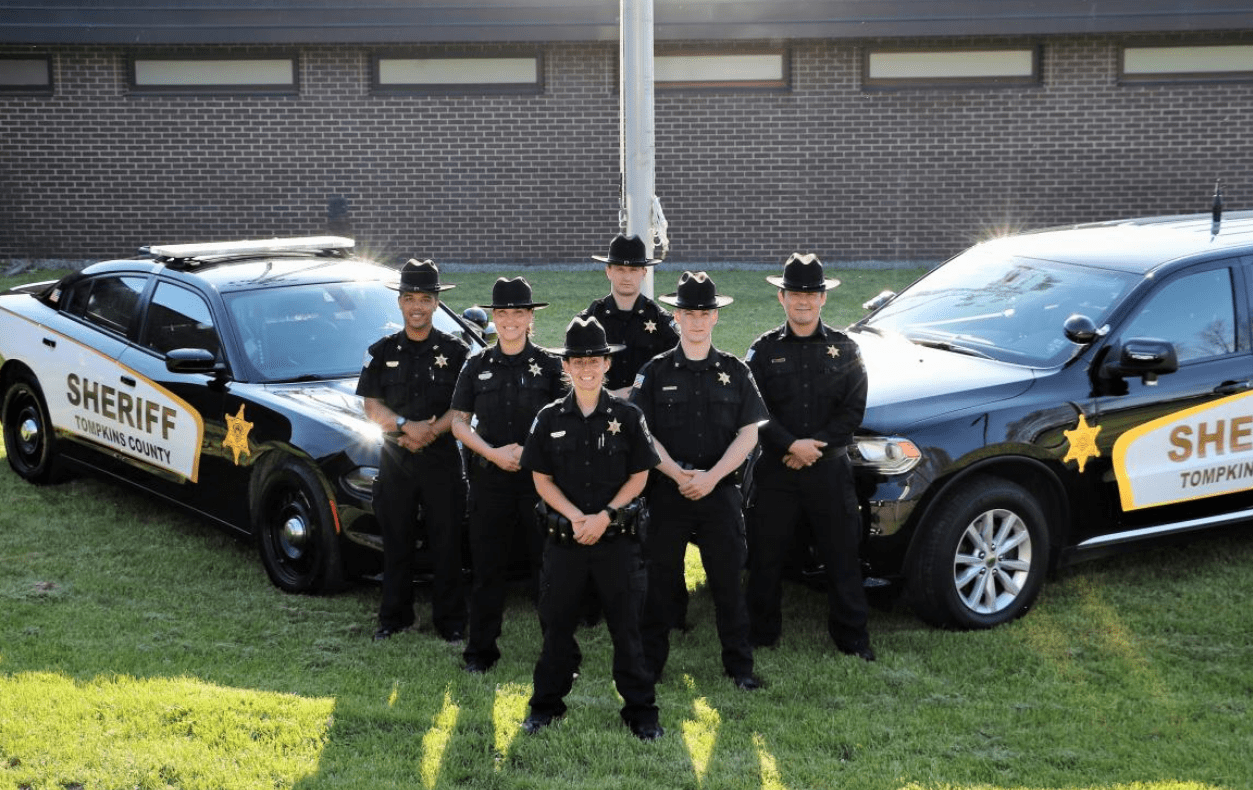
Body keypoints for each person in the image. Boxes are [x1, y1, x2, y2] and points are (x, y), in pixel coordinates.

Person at [519, 315, 663, 741]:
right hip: (564, 541)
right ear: (565, 367)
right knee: (555, 628)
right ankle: (545, 706)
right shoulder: (547, 418)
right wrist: (576, 517)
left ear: (606, 365)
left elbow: (640, 475)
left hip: (616, 541)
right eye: (577, 361)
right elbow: (540, 478)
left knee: (628, 631)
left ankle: (642, 713)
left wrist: (604, 516)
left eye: (594, 360)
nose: (585, 368)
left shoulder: (628, 415)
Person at [630, 271, 767, 690]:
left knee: (727, 584)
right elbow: (642, 431)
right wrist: (676, 473)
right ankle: (650, 667)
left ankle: (740, 668)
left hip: (719, 493)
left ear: (715, 318)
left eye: (704, 313)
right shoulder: (653, 372)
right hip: (669, 492)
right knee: (659, 586)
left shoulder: (735, 371)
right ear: (676, 316)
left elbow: (750, 432)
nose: (696, 320)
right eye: (688, 312)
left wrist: (712, 477)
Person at [744, 253, 875, 661]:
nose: (803, 301)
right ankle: (761, 633)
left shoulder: (846, 348)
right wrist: (791, 446)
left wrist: (812, 446)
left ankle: (852, 639)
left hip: (829, 470)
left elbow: (853, 410)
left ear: (823, 299)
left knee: (842, 556)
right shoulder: (762, 352)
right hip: (777, 472)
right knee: (765, 556)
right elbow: (755, 409)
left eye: (811, 294)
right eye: (795, 293)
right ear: (781, 297)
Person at [450, 277, 565, 674]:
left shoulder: (551, 366)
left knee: (548, 571)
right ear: (494, 317)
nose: (510, 321)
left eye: (519, 313)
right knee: (487, 571)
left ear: (530, 317)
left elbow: (565, 422)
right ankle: (480, 652)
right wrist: (494, 453)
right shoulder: (476, 365)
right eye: (502, 314)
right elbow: (460, 424)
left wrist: (527, 451)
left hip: (540, 483)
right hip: (489, 481)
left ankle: (558, 653)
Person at [357, 259, 470, 643]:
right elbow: (371, 407)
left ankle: (451, 622)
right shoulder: (380, 351)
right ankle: (393, 618)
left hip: (441, 460)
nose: (417, 306)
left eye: (425, 298)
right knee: (397, 542)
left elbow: (463, 408)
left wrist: (429, 431)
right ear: (400, 303)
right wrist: (406, 427)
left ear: (436, 302)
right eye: (410, 299)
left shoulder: (456, 352)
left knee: (447, 543)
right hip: (395, 459)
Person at [579, 234, 679, 399]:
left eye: (633, 270)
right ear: (608, 271)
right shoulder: (589, 319)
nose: (626, 277)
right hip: (600, 409)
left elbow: (674, 372)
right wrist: (609, 396)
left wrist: (638, 390)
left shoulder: (662, 321)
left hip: (648, 410)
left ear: (644, 272)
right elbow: (574, 373)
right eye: (620, 269)